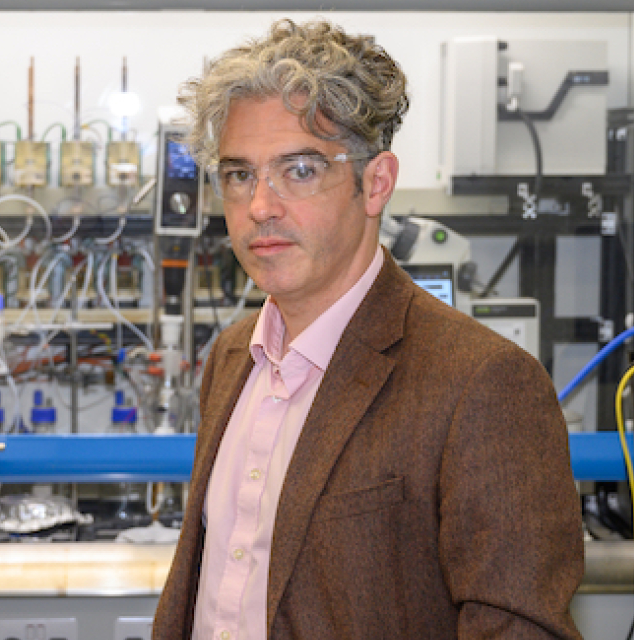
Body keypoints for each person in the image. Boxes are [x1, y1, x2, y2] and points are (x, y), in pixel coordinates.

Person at [153, 19, 584, 640]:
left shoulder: (481, 383)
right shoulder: (231, 358)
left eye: (299, 170)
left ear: (375, 182)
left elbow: (521, 630)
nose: (260, 206)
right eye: (239, 174)